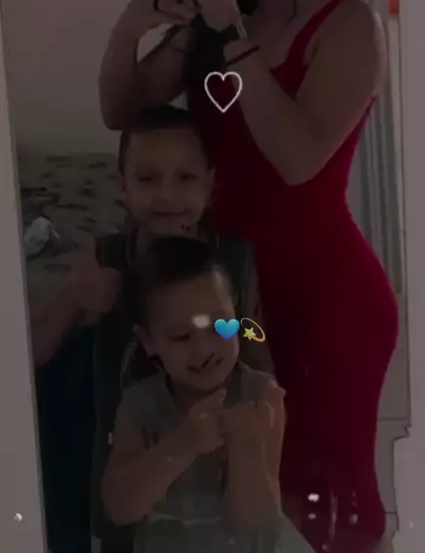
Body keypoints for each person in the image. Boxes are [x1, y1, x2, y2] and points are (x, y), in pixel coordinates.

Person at [98, 0, 399, 552]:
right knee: (251, 490)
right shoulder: (210, 28)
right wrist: (142, 17)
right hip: (233, 297)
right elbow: (121, 108)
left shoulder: (347, 25)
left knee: (330, 501)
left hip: (324, 300)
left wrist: (229, 27)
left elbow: (296, 158)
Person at [30, 105, 270, 553]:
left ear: (209, 186)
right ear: (123, 187)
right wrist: (73, 296)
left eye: (185, 178)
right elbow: (26, 359)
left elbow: (255, 341)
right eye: (147, 179)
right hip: (127, 465)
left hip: (217, 466)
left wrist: (262, 408)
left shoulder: (234, 261)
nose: (167, 195)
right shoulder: (106, 260)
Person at [102, 236, 287, 552]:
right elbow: (118, 509)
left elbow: (257, 528)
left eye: (219, 326)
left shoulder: (261, 397)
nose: (204, 350)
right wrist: (184, 443)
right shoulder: (140, 406)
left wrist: (247, 448)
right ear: (148, 340)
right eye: (181, 336)